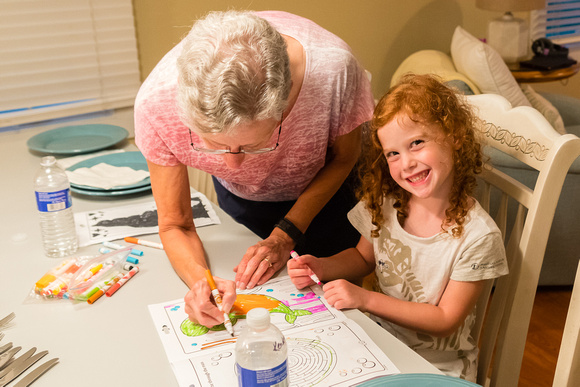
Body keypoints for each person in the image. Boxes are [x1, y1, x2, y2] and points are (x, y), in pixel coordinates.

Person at [134, 10, 374, 328]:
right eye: (214, 145)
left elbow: (345, 157)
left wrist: (284, 235)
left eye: (253, 145)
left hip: (330, 195)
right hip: (243, 205)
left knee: (344, 325)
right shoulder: (155, 105)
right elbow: (175, 225)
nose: (233, 165)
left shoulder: (333, 71)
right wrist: (200, 282)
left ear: (285, 104)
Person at [287, 74, 508, 381]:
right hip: (379, 346)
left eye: (416, 143)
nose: (406, 164)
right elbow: (363, 259)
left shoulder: (479, 236)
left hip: (437, 371)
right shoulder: (386, 202)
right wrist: (321, 266)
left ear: (455, 136)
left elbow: (445, 319)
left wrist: (365, 299)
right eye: (393, 153)